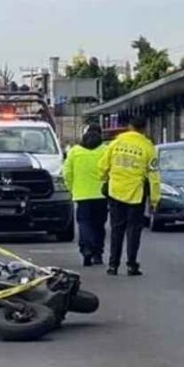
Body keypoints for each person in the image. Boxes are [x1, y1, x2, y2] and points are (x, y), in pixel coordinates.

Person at [97, 116, 160, 276]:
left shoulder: (116, 143)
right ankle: (131, 265)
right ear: (144, 128)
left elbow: (102, 166)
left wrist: (106, 178)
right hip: (136, 194)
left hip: (115, 192)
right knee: (133, 230)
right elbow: (153, 175)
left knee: (116, 229)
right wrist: (154, 199)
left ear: (130, 127)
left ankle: (113, 265)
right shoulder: (148, 147)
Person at [63, 124, 109, 267]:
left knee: (84, 224)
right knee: (99, 225)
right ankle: (98, 253)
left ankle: (86, 248)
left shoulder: (74, 152)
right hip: (101, 195)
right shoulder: (106, 151)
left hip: (82, 195)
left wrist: (71, 189)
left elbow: (67, 173)